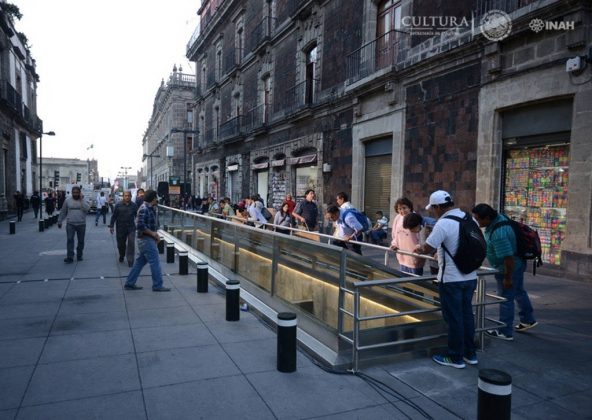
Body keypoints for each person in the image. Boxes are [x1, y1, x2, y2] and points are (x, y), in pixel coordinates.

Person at [415, 190, 478, 369]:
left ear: (437, 206)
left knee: (454, 318)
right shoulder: (468, 218)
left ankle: (455, 357)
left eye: (433, 209)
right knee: (467, 315)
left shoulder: (443, 223)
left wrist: (418, 249)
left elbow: (428, 248)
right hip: (470, 276)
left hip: (451, 278)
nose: (433, 212)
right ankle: (470, 353)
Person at [472, 203, 538, 341]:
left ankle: (505, 331)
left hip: (508, 268)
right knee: (519, 291)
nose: (478, 222)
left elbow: (508, 259)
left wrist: (508, 278)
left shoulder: (499, 234)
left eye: (479, 219)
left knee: (505, 298)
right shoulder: (500, 218)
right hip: (518, 264)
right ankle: (528, 319)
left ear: (488, 217)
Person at [124, 189, 170, 292]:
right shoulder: (144, 208)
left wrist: (154, 235)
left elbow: (150, 224)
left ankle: (130, 283)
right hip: (145, 240)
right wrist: (153, 234)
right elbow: (140, 226)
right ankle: (157, 285)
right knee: (155, 262)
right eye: (156, 197)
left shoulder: (149, 208)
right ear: (153, 198)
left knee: (140, 262)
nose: (157, 199)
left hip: (147, 239)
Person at [390, 197, 424, 275]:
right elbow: (395, 234)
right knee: (404, 282)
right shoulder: (398, 218)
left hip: (414, 256)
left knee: (415, 284)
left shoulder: (416, 218)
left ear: (409, 207)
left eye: (404, 208)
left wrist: (420, 246)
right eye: (399, 209)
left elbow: (422, 236)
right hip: (402, 256)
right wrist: (394, 244)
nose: (402, 211)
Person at [58, 186, 90, 263]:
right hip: (70, 224)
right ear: (72, 193)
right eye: (74, 192)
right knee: (70, 240)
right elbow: (63, 211)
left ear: (79, 193)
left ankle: (79, 255)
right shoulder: (67, 200)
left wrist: (81, 200)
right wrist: (60, 221)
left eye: (77, 192)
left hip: (81, 224)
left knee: (81, 241)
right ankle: (70, 257)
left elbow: (87, 209)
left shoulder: (83, 200)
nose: (75, 194)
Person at [109, 190, 138, 266]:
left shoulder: (134, 206)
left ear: (131, 197)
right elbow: (114, 216)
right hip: (120, 228)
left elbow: (137, 216)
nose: (127, 197)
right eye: (126, 195)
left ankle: (130, 260)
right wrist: (111, 226)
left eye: (128, 195)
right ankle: (122, 255)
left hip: (131, 228)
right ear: (123, 196)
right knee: (121, 245)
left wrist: (139, 225)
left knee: (131, 244)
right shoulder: (118, 205)